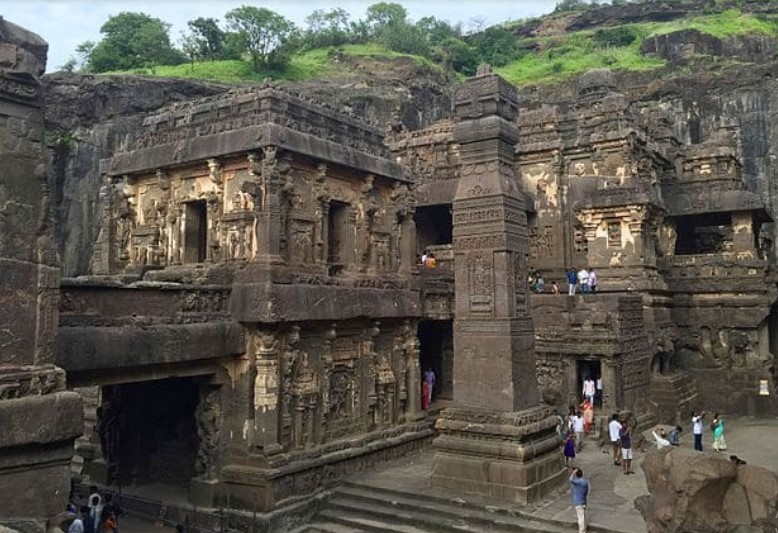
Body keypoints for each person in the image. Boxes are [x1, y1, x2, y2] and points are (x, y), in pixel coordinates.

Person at [569, 467, 590, 533]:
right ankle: (584, 528)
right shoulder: (585, 482)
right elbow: (587, 491)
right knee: (583, 516)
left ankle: (582, 531)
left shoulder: (577, 482)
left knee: (580, 517)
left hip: (578, 502)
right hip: (583, 500)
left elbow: (570, 480)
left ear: (576, 475)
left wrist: (573, 473)